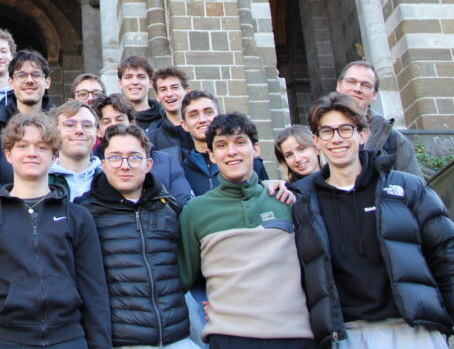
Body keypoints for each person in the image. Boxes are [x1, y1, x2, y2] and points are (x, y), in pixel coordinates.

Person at [293, 92, 454, 349]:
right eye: (327, 132)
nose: (336, 139)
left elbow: (450, 263)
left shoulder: (408, 188)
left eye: (346, 129)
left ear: (363, 135)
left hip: (415, 332)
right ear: (316, 141)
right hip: (348, 337)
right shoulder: (304, 203)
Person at [0, 112, 112, 349]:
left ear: (54, 156)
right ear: (8, 154)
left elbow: (95, 293)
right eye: (22, 146)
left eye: (41, 147)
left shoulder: (77, 217)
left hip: (67, 338)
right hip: (3, 339)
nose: (32, 153)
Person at [178, 113, 314, 349]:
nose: (231, 152)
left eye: (240, 142)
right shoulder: (195, 211)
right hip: (229, 338)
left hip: (294, 336)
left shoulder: (286, 200)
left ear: (256, 149)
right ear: (212, 155)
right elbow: (182, 278)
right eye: (221, 145)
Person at [75, 124, 197, 349]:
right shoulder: (84, 213)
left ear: (148, 164)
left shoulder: (169, 207)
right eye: (115, 158)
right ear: (103, 164)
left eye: (134, 157)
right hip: (122, 341)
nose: (124, 165)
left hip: (177, 337)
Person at [0, 49, 54, 184]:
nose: (29, 80)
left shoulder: (64, 127)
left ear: (47, 82)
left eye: (36, 75)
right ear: (11, 82)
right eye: (21, 75)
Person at [94, 93, 195, 206]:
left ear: (133, 123)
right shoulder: (92, 168)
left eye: (119, 119)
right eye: (106, 122)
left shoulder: (166, 162)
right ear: (97, 131)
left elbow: (184, 204)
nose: (114, 125)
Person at [335, 60, 423, 176]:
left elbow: (414, 185)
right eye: (351, 82)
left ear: (374, 94)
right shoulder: (316, 133)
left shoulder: (394, 140)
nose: (357, 89)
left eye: (366, 85)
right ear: (338, 85)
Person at [178, 90, 268, 195]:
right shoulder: (180, 170)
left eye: (208, 112)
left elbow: (264, 193)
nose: (202, 119)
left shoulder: (248, 161)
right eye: (194, 115)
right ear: (184, 124)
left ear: (219, 116)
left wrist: (271, 184)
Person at [48, 100, 102, 201]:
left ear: (97, 132)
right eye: (70, 125)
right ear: (55, 132)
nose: (79, 130)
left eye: (87, 125)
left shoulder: (110, 179)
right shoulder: (42, 181)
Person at [148, 66, 194, 153]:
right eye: (163, 89)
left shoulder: (201, 130)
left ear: (187, 91)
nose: (169, 94)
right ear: (157, 96)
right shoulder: (151, 140)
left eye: (174, 87)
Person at [118, 55, 163, 130]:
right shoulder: (114, 119)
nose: (135, 82)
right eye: (128, 77)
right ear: (120, 83)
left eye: (141, 77)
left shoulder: (165, 118)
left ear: (151, 83)